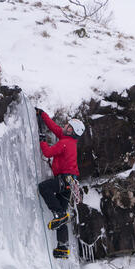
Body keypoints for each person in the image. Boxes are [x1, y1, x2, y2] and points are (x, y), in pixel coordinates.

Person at [35, 107, 85, 259]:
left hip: (65, 180)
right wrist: (42, 115)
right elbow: (55, 128)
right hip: (69, 183)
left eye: (68, 127)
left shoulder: (66, 143)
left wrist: (42, 139)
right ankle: (62, 247)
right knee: (61, 213)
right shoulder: (67, 140)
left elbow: (48, 153)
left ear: (72, 131)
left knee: (44, 188)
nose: (65, 127)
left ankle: (60, 214)